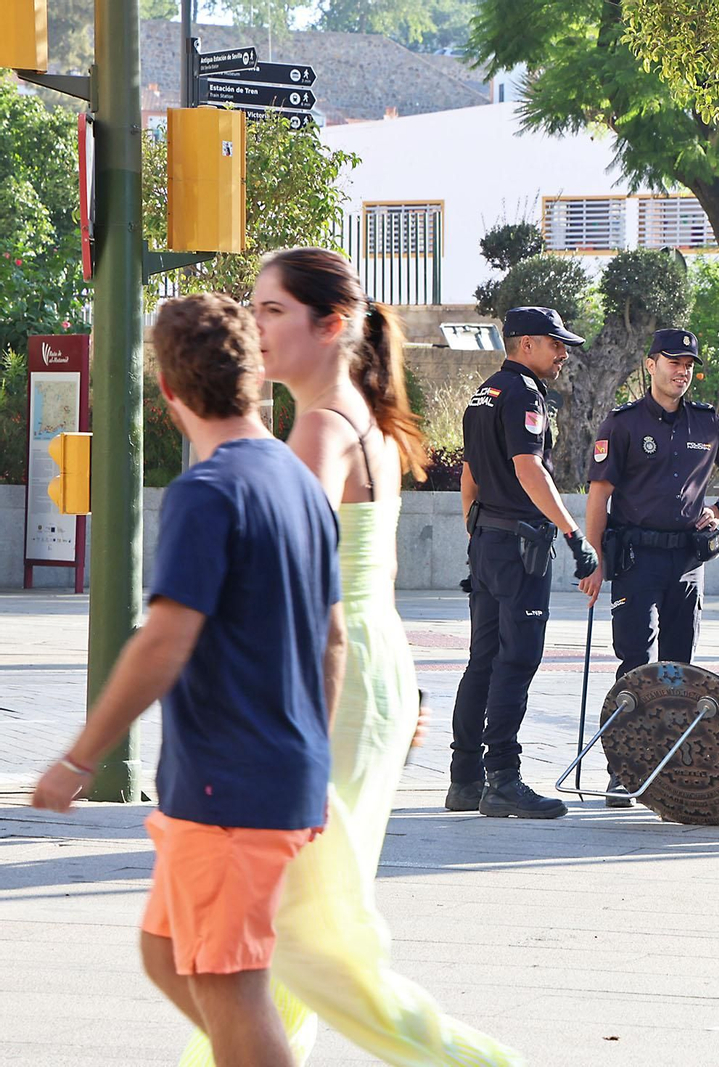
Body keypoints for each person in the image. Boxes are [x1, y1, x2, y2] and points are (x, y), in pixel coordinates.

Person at [173, 248, 525, 1066]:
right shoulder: (356, 416)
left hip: (330, 679)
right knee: (294, 926)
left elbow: (278, 570)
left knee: (306, 938)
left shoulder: (323, 427)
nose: (254, 326)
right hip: (367, 665)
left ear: (330, 324)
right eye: (253, 307)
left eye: (271, 310)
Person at [30, 293, 342, 1067]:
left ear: (167, 389)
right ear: (256, 374)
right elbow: (334, 638)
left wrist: (80, 757)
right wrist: (310, 754)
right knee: (166, 950)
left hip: (228, 787)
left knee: (230, 984)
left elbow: (165, 638)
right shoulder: (298, 481)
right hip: (263, 777)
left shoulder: (207, 491)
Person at [579, 328, 719, 805]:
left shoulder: (708, 423)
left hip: (688, 560)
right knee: (635, 662)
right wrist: (593, 560)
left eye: (689, 365)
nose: (682, 372)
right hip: (637, 559)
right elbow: (599, 494)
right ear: (651, 364)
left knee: (681, 669)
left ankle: (671, 765)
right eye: (674, 362)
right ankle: (624, 767)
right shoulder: (623, 424)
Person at [448, 306, 599, 818]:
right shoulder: (524, 395)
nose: (563, 355)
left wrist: (476, 530)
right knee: (516, 659)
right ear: (527, 344)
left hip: (489, 540)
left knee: (482, 659)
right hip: (519, 547)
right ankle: (503, 780)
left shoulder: (484, 393)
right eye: (556, 344)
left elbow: (469, 475)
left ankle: (465, 779)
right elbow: (529, 467)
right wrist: (573, 533)